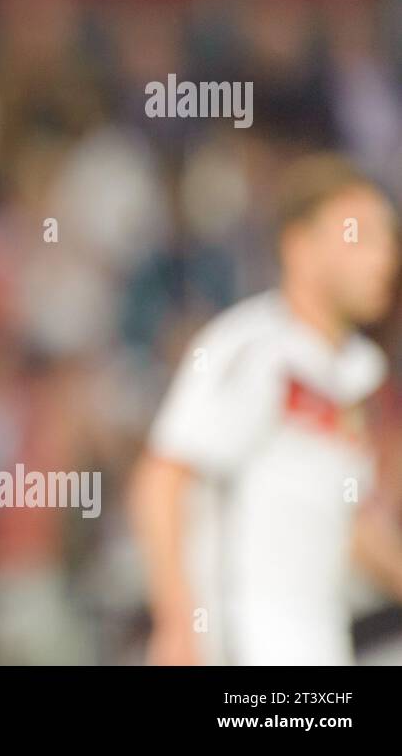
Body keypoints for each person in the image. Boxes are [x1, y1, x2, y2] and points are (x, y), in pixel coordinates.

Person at [132, 153, 402, 665]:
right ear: (299, 247)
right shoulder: (255, 351)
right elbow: (161, 482)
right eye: (359, 236)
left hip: (319, 644)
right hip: (239, 643)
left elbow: (351, 527)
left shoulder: (359, 376)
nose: (384, 257)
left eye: (388, 238)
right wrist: (176, 626)